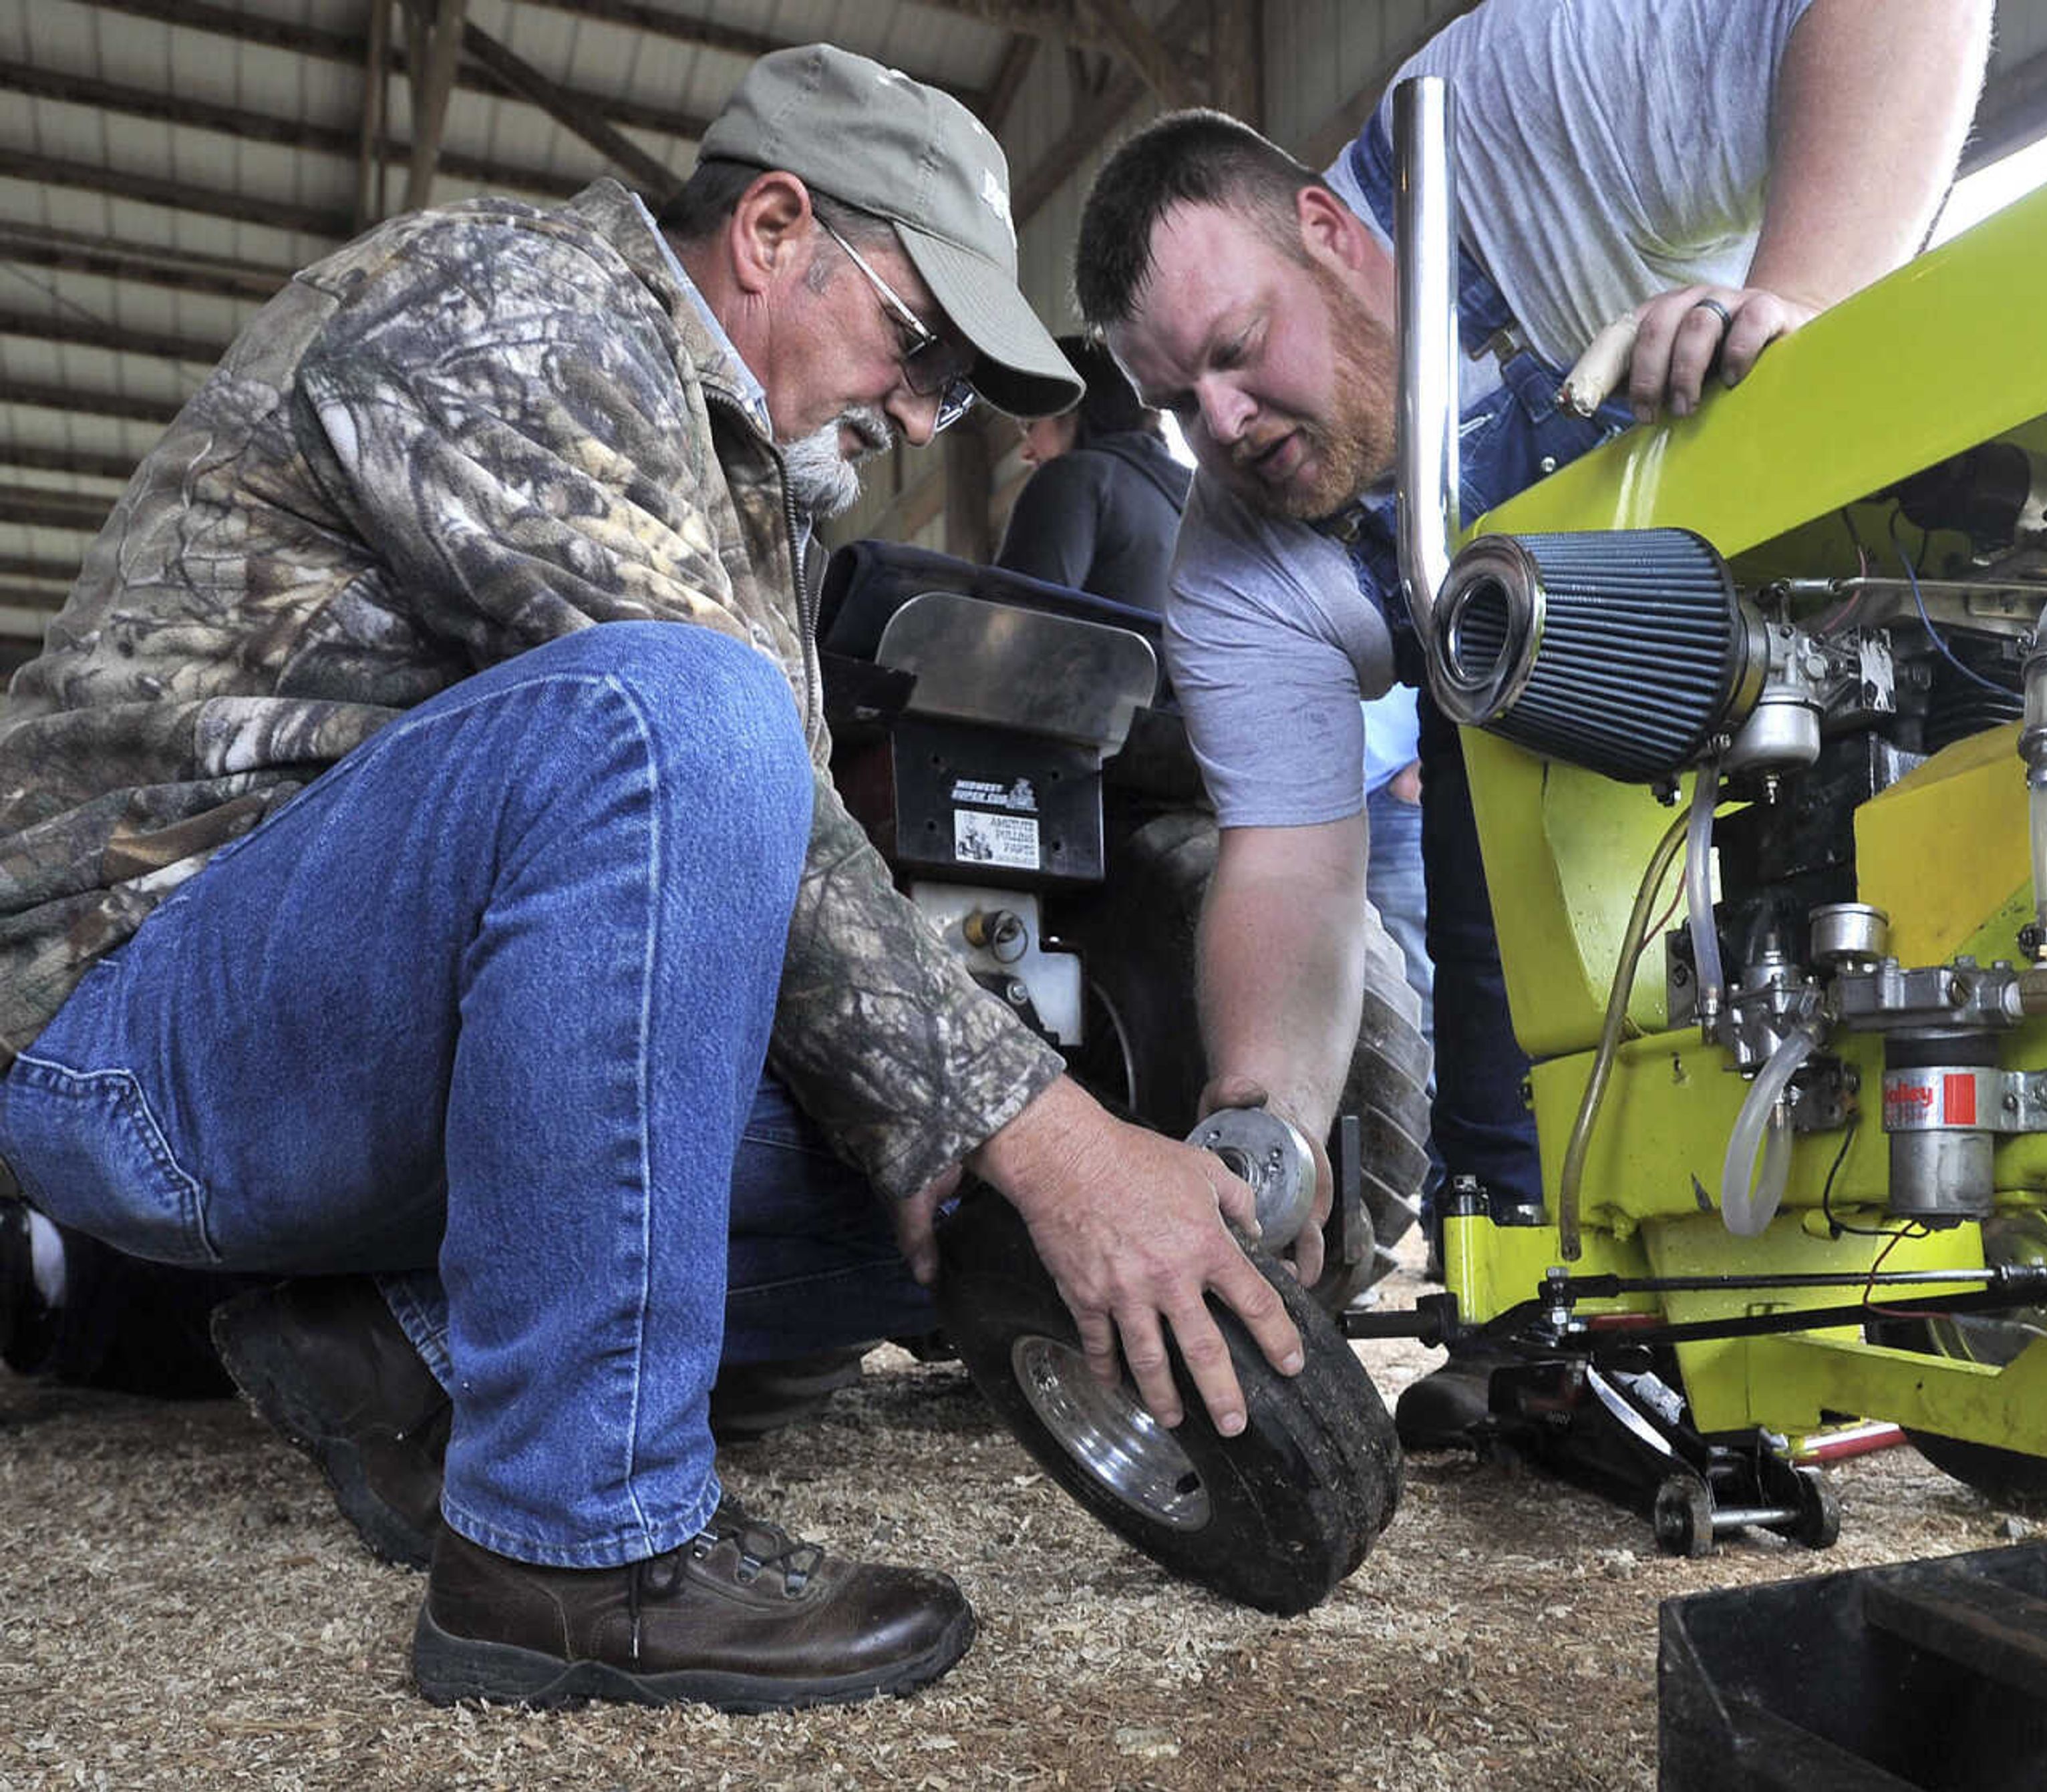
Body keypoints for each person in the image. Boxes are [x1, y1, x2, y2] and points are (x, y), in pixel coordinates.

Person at [0, 46, 1321, 1714]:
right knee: (682, 718)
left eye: (952, 395)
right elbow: (682, 757)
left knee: (933, 1179)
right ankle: (569, 1550)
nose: (916, 414)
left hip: (356, 1040)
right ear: (772, 228)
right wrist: (1052, 1141)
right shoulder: (513, 304)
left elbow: (758, 892)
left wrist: (976, 1139)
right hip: (141, 1023)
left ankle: (390, 1347)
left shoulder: (739, 483)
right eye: (917, 347)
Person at [1072, 0, 1988, 1441]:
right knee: (1477, 709)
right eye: (1177, 402)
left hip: (1838, 619)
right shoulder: (1237, 567)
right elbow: (1294, 872)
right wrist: (1270, 1127)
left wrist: (1806, 312)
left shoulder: (1528, 107)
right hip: (1557, 752)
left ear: (1327, 224)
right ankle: (1540, 1298)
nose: (1228, 423)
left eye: (1241, 349)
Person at [993, 335, 1191, 610]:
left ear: (1072, 407)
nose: (1025, 452)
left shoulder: (1072, 478)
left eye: (1030, 426)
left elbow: (1013, 628)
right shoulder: (1192, 505)